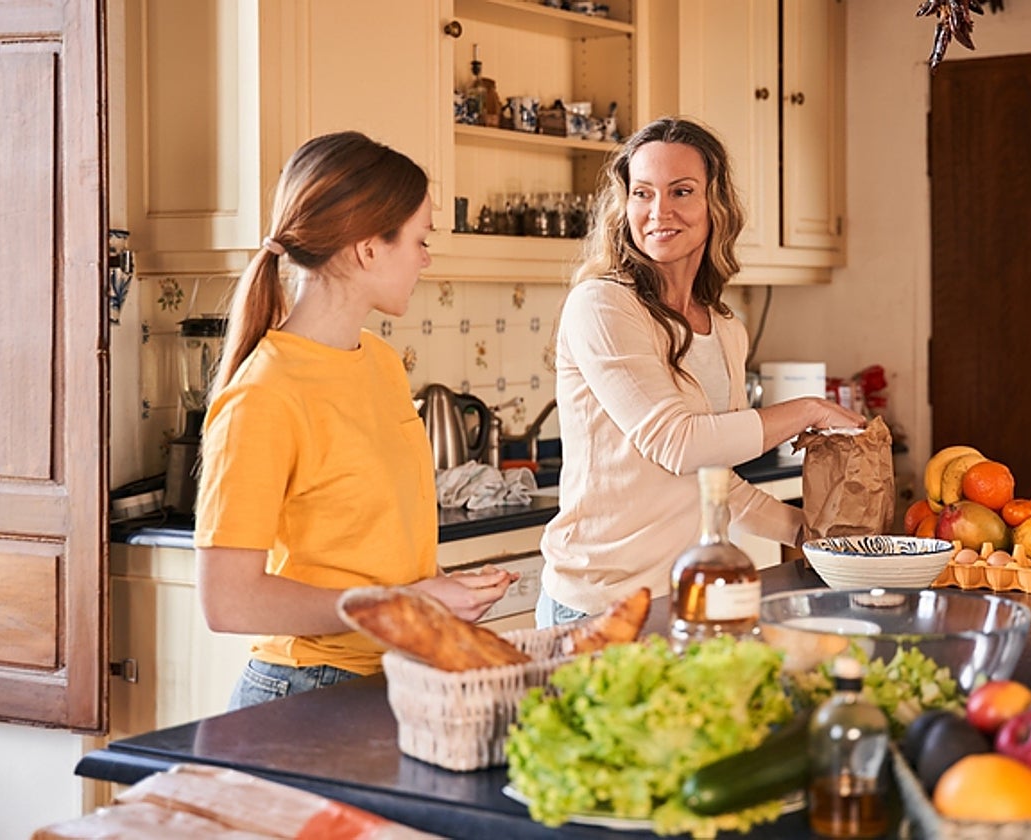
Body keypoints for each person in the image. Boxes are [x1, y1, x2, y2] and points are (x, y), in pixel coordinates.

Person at [194, 131, 515, 709]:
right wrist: (403, 604)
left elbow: (371, 545)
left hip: (393, 674)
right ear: (369, 248)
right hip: (306, 692)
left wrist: (438, 595)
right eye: (419, 240)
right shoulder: (264, 394)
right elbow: (227, 601)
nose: (425, 258)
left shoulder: (382, 362)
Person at [537, 117, 865, 628]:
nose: (658, 211)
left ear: (716, 205)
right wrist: (808, 410)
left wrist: (809, 534)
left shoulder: (726, 328)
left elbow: (713, 482)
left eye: (681, 191)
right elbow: (677, 443)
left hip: (684, 598)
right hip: (599, 604)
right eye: (642, 193)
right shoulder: (602, 305)